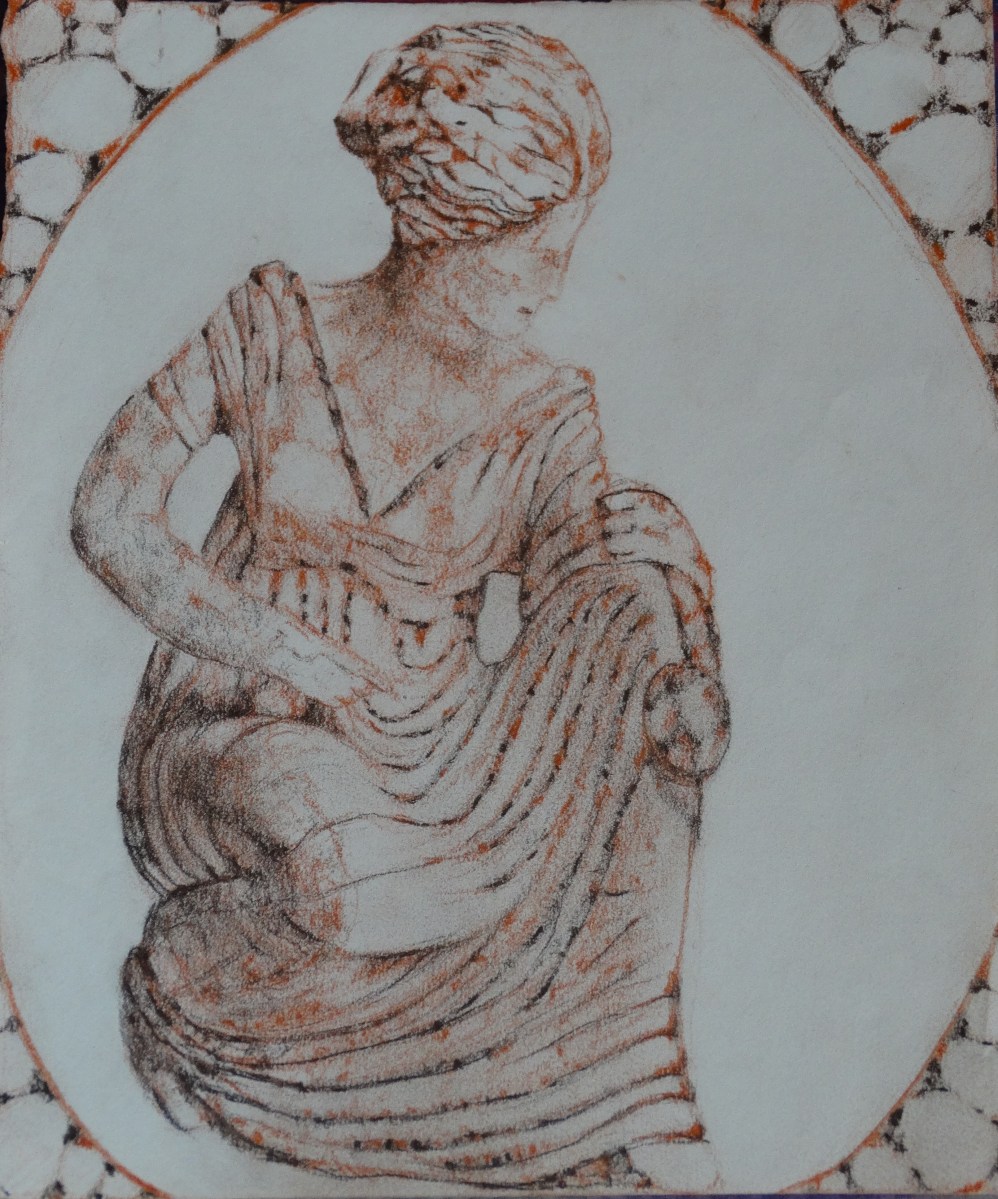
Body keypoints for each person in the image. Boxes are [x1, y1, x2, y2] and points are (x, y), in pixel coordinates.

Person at [70, 21, 730, 1189]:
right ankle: (184, 980)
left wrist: (681, 613)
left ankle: (600, 1095)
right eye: (532, 253)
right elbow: (108, 515)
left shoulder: (545, 405)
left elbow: (576, 612)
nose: (551, 286)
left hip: (442, 741)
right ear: (443, 227)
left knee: (632, 609)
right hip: (247, 719)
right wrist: (285, 647)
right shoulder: (272, 326)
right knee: (364, 885)